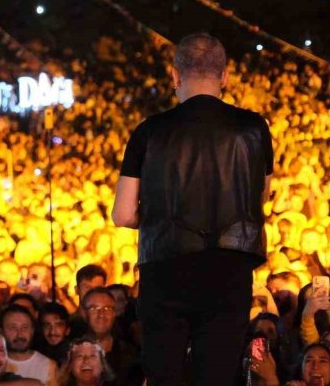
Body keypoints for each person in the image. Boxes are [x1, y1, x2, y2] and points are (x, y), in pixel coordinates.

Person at [112, 33, 273, 386]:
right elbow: (261, 197)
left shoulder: (149, 131)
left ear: (175, 75)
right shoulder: (254, 128)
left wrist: (160, 218)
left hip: (166, 269)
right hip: (230, 268)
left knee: (164, 376)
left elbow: (122, 214)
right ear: (224, 76)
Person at [0, 307, 56, 386]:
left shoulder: (48, 366)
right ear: (1, 331)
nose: (19, 334)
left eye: (25, 328)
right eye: (13, 328)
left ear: (32, 331)